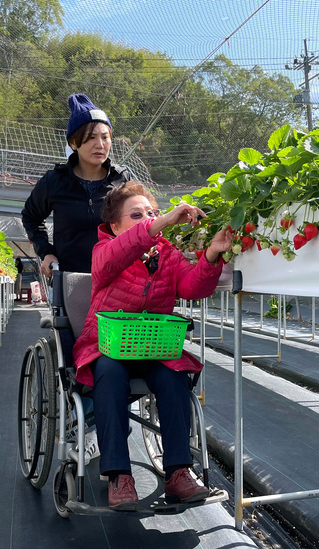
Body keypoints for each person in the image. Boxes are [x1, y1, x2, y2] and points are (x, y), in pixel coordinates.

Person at [71, 182, 233, 510]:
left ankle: (178, 472)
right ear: (115, 226)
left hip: (153, 345)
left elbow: (191, 287)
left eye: (152, 212)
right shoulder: (104, 252)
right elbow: (114, 258)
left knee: (174, 376)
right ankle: (119, 475)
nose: (148, 218)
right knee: (110, 373)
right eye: (137, 215)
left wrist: (212, 254)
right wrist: (161, 222)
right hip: (106, 346)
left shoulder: (168, 256)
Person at [21, 93, 132, 276]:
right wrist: (46, 252)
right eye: (90, 138)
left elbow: (139, 221)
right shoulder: (55, 181)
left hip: (114, 278)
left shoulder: (121, 179)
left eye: (105, 137)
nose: (100, 145)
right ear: (73, 143)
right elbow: (31, 217)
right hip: (69, 278)